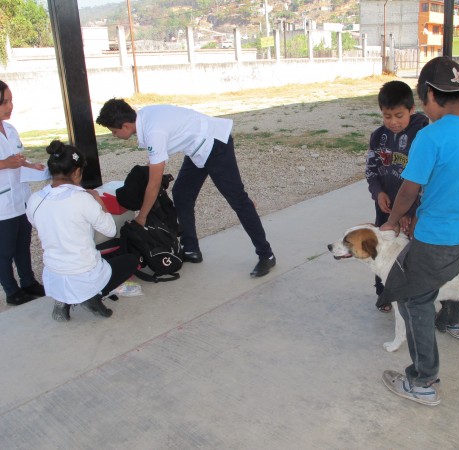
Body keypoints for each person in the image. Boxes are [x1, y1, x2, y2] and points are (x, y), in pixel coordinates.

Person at [379, 57, 459, 406]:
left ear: (430, 94)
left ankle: (423, 381)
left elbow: (409, 190)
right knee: (432, 282)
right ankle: (455, 322)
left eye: (423, 101)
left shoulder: (431, 136)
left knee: (414, 299)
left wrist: (391, 220)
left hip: (439, 235)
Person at [96, 99, 276, 278]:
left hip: (215, 145)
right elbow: (155, 164)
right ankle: (191, 249)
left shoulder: (153, 132)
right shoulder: (145, 117)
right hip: (198, 147)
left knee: (238, 200)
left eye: (114, 131)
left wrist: (141, 217)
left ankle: (266, 254)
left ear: (126, 126)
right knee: (181, 193)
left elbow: (155, 183)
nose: (114, 135)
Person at [26, 140, 138, 321]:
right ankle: (93, 297)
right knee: (131, 260)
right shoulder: (82, 199)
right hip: (84, 273)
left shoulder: (35, 199)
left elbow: (38, 223)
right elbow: (110, 230)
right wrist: (99, 201)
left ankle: (63, 300)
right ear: (77, 172)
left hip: (54, 274)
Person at [365, 80, 429, 312]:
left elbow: (425, 180)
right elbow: (371, 171)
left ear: (412, 110)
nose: (393, 122)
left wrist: (411, 211)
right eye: (387, 116)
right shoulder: (377, 137)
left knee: (412, 254)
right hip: (385, 208)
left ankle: (414, 296)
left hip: (414, 212)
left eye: (399, 115)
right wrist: (378, 192)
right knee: (381, 249)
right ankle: (383, 293)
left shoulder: (423, 136)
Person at [0, 80, 46, 306]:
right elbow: (7, 162)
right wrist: (4, 164)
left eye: (10, 101)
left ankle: (28, 282)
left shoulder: (10, 129)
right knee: (4, 250)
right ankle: (11, 289)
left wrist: (30, 165)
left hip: (20, 198)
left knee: (22, 244)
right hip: (2, 205)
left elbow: (17, 157)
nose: (10, 107)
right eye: (5, 102)